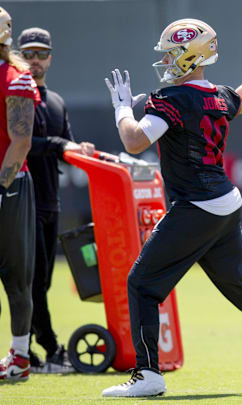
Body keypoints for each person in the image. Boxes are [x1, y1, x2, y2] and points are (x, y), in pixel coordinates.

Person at [100, 18, 242, 397]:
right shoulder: (216, 95)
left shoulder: (171, 99)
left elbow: (135, 141)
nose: (168, 59)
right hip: (224, 203)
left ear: (190, 55)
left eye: (173, 52)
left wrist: (123, 110)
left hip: (197, 206)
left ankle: (148, 375)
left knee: (141, 284)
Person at [17, 27, 95, 374]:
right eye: (28, 54)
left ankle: (28, 349)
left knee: (43, 282)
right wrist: (57, 145)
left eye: (40, 54)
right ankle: (49, 349)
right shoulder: (14, 97)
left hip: (50, 203)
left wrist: (84, 153)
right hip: (21, 200)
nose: (34, 61)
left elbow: (67, 147)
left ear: (49, 58)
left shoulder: (57, 101)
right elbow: (21, 145)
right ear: (18, 56)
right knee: (31, 282)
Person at [0, 6, 40, 383]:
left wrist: (1, 185)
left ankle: (20, 357)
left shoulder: (15, 78)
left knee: (16, 277)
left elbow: (22, 140)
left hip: (9, 188)